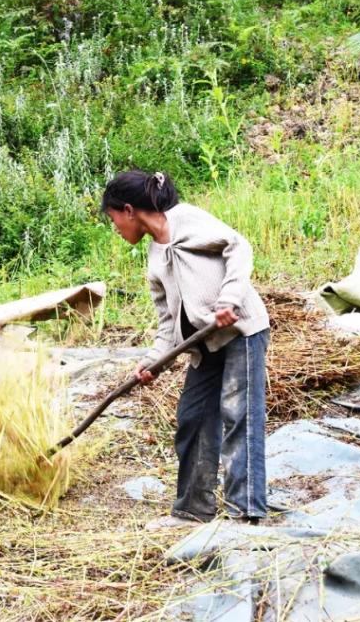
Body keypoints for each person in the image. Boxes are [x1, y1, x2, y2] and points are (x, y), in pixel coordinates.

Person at [102, 169, 270, 524]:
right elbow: (168, 321)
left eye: (113, 218)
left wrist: (229, 299)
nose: (114, 227)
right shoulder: (154, 257)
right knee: (193, 417)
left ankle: (247, 512)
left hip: (241, 331)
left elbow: (238, 246)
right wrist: (154, 361)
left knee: (240, 414)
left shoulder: (186, 219)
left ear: (129, 210)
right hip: (204, 344)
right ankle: (193, 509)